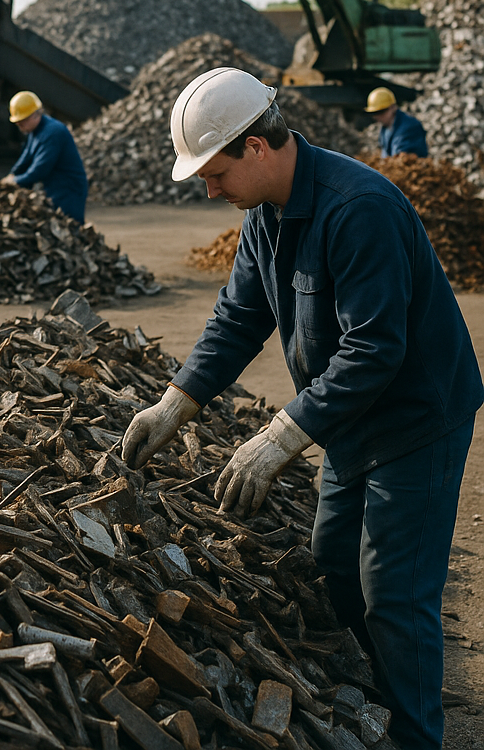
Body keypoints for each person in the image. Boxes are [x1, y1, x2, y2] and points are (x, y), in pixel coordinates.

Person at [121, 68, 480, 750]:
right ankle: (380, 699)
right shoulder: (266, 215)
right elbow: (237, 318)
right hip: (348, 419)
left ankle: (414, 736)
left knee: (394, 593)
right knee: (335, 562)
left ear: (257, 147)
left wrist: (280, 436)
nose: (209, 188)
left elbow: (376, 349)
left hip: (413, 420)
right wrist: (175, 404)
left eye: (215, 172)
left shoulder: (358, 208)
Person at [3, 90, 89, 223]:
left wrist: (16, 181)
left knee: (70, 227)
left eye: (22, 121)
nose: (19, 126)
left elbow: (40, 169)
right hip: (54, 187)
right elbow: (27, 157)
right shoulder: (34, 131)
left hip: (68, 190)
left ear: (35, 115)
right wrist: (12, 174)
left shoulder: (53, 133)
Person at [366, 86, 428, 157]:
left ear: (393, 107)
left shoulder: (410, 127)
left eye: (381, 111)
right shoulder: (385, 128)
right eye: (374, 113)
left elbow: (405, 159)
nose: (377, 116)